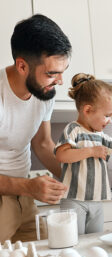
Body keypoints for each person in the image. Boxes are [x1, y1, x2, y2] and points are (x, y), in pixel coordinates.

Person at [0, 14, 71, 243]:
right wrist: (29, 186)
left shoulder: (44, 93)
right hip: (10, 195)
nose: (59, 81)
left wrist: (77, 178)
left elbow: (42, 144)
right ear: (22, 66)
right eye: (51, 73)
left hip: (25, 198)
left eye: (63, 71)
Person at [55, 73, 112, 234]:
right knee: (74, 240)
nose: (110, 120)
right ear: (88, 110)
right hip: (74, 199)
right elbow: (62, 155)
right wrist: (90, 151)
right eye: (107, 115)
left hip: (96, 200)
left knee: (95, 240)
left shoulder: (100, 135)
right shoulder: (73, 129)